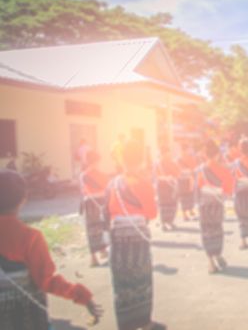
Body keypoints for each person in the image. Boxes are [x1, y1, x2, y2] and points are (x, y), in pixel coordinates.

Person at [0, 169, 102, 329]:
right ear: (23, 200)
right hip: (27, 318)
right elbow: (46, 282)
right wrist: (81, 295)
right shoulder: (31, 237)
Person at [105, 140, 162, 330]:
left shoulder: (112, 184)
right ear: (141, 161)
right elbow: (152, 213)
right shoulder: (143, 184)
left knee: (121, 283)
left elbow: (105, 213)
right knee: (141, 279)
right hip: (138, 239)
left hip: (117, 238)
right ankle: (144, 323)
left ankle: (125, 325)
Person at [196, 140, 234, 274]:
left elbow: (196, 189)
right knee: (217, 229)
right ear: (217, 154)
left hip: (204, 205)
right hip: (217, 204)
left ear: (205, 154)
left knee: (206, 231)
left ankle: (210, 262)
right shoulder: (224, 170)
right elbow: (229, 191)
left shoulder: (199, 170)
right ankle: (218, 255)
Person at [79, 151, 110, 267]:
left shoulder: (83, 176)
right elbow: (107, 190)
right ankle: (102, 252)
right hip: (100, 203)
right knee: (101, 227)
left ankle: (94, 257)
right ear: (97, 161)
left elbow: (83, 192)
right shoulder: (102, 175)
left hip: (89, 203)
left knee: (91, 229)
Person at [154, 145, 180, 231]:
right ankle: (163, 223)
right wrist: (165, 178)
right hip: (162, 186)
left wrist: (173, 177)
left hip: (172, 185)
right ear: (161, 154)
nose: (167, 156)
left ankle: (170, 221)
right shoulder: (157, 164)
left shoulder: (172, 163)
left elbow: (177, 172)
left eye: (168, 154)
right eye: (165, 154)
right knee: (163, 205)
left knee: (173, 204)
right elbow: (156, 176)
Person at [177, 144, 198, 220]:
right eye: (184, 150)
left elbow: (194, 168)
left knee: (189, 195)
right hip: (183, 179)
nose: (185, 152)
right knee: (184, 197)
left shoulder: (189, 158)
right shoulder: (179, 159)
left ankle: (190, 210)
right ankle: (184, 214)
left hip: (188, 179)